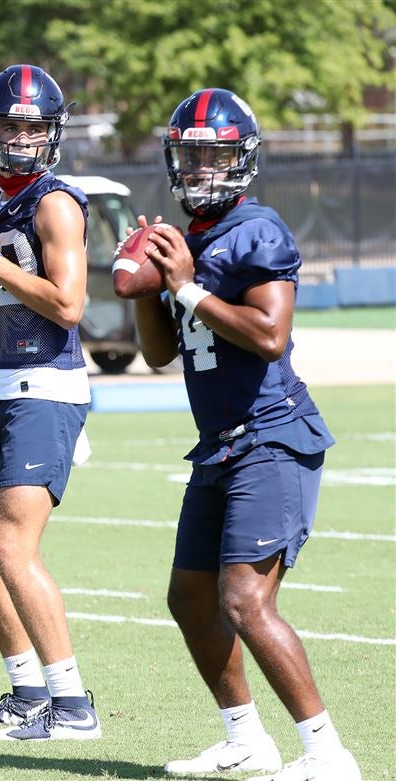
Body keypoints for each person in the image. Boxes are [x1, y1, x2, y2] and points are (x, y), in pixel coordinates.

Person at [133, 89, 359, 781]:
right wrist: (151, 287)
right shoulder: (191, 238)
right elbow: (157, 354)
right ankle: (246, 737)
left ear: (243, 159)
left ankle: (327, 752)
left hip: (272, 434)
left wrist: (188, 287)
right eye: (190, 154)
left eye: (216, 153)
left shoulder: (259, 229)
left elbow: (269, 335)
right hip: (221, 441)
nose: (201, 167)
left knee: (244, 597)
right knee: (190, 597)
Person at [0, 64, 100, 740]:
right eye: (12, 123)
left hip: (50, 386)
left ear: (53, 132)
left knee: (11, 543)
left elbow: (68, 304)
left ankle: (74, 705)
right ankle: (28, 689)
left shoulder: (56, 203)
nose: (23, 137)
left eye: (34, 125)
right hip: (5, 383)